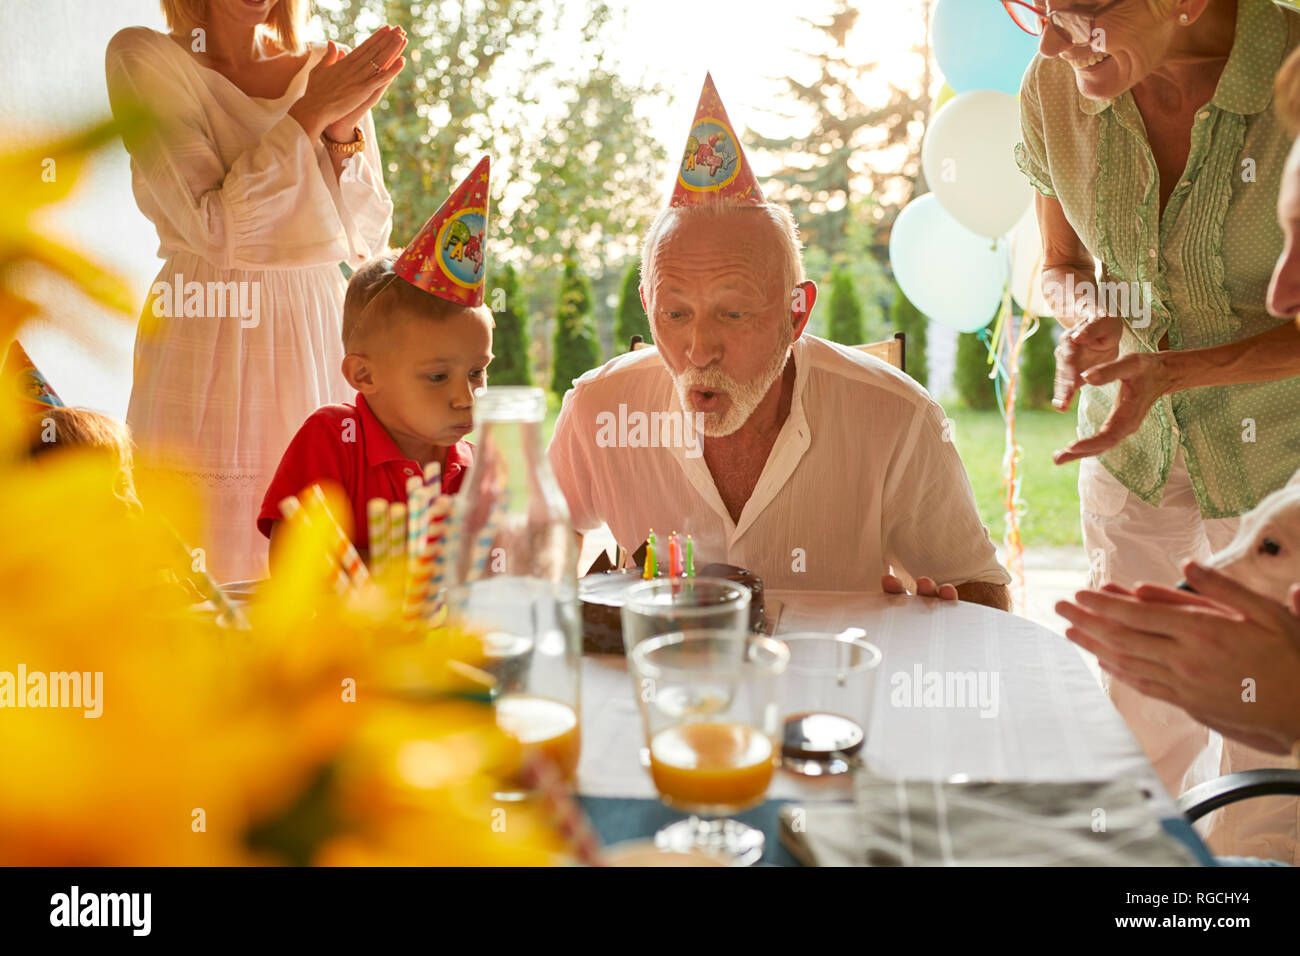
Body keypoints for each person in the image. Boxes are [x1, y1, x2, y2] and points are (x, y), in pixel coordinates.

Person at [548, 76, 1011, 609]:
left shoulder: (898, 416)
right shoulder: (599, 410)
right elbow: (537, 538)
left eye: (733, 312)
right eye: (675, 313)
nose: (699, 350)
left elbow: (983, 590)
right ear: (647, 305)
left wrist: (931, 620)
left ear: (797, 313)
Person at [1011, 0, 1300, 851]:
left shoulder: (1293, 76)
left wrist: (1173, 369)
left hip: (1276, 470)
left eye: (1083, 13)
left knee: (1260, 757)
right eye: (1037, 11)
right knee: (1133, 729)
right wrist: (1089, 313)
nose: (1055, 43)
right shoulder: (1052, 88)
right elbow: (1057, 267)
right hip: (1130, 455)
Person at [106, 0, 405, 583]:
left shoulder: (326, 63)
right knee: (197, 562)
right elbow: (214, 228)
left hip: (314, 323)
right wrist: (310, 113)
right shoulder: (144, 57)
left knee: (314, 556)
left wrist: (341, 133)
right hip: (204, 325)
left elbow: (369, 237)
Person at [257, 160, 494, 561]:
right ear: (363, 374)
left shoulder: (472, 468)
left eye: (477, 372)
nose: (465, 396)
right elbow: (294, 566)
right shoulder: (332, 440)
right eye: (438, 376)